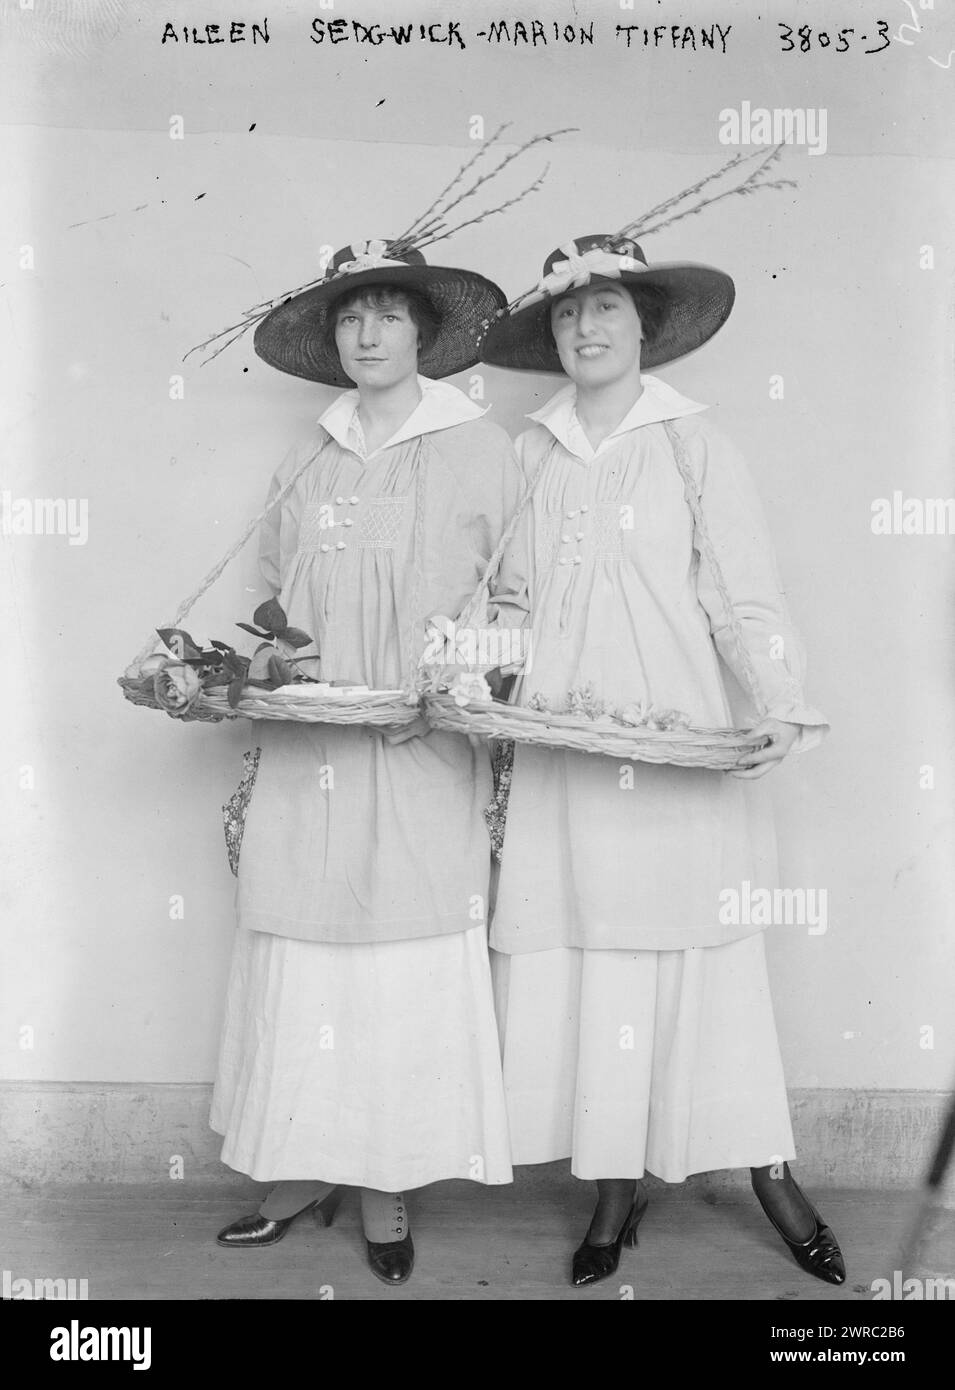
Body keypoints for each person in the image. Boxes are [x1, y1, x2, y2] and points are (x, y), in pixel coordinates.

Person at [481, 233, 846, 1288]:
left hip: (674, 736)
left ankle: (770, 1172)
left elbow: (742, 594)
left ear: (645, 326)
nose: (585, 329)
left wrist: (780, 699)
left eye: (606, 310)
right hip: (565, 742)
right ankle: (612, 1184)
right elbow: (506, 598)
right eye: (566, 314)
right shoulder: (529, 451)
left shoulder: (693, 444)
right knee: (593, 955)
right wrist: (479, 676)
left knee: (694, 950)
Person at [210, 239, 520, 1285]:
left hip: (418, 748)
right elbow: (274, 595)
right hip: (309, 749)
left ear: (424, 332)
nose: (368, 334)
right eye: (351, 318)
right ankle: (295, 1169)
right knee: (304, 955)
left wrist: (456, 682)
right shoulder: (309, 454)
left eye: (388, 313)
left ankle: (386, 1182)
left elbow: (513, 601)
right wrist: (259, 663)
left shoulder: (476, 446)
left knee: (395, 961)